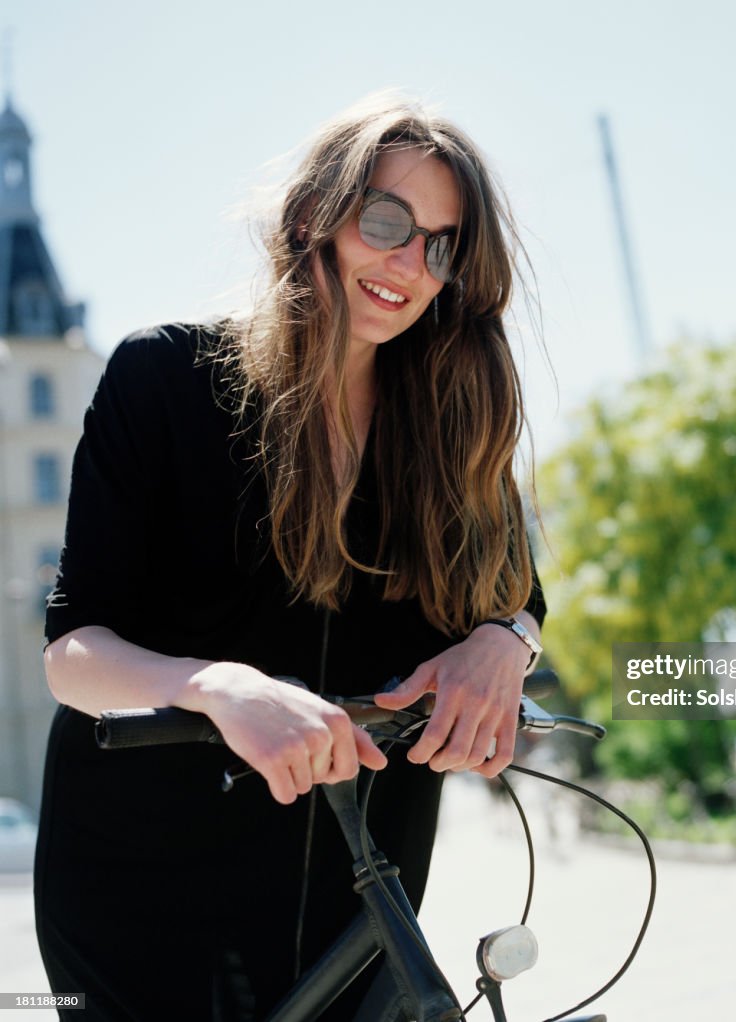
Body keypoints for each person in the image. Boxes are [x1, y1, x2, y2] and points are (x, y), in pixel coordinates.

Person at [34, 94, 546, 1021]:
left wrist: (504, 642)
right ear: (314, 215)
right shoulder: (164, 381)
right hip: (144, 894)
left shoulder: (452, 432)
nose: (409, 262)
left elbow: (520, 601)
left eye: (440, 244)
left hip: (364, 892)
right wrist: (218, 685)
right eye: (387, 221)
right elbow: (72, 655)